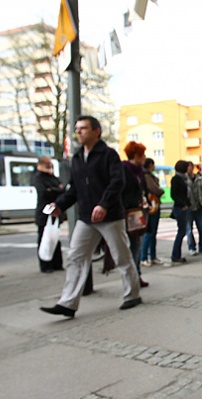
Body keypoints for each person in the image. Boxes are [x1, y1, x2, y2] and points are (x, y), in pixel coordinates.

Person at [40, 115, 142, 318]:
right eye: (77, 129)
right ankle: (68, 303)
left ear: (96, 131)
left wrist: (104, 204)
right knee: (75, 257)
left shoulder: (108, 155)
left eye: (83, 128)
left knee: (121, 255)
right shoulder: (77, 158)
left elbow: (117, 182)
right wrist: (59, 205)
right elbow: (74, 189)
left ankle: (132, 295)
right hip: (86, 217)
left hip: (110, 216)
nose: (78, 132)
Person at [121, 141, 149, 288]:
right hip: (128, 212)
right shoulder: (124, 169)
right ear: (136, 155)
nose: (144, 158)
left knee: (137, 244)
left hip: (137, 211)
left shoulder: (139, 171)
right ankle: (133, 277)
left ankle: (136, 275)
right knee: (133, 245)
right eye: (142, 155)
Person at [33, 155, 65, 273]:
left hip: (55, 213)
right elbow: (43, 193)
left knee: (55, 238)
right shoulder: (38, 178)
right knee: (44, 238)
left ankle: (57, 264)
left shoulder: (52, 177)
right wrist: (56, 190)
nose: (50, 165)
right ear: (41, 164)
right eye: (47, 163)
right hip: (44, 213)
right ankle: (45, 265)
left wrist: (53, 189)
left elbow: (63, 190)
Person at [141, 158, 164, 266]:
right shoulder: (147, 176)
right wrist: (161, 191)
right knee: (150, 232)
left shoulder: (145, 175)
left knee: (152, 232)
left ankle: (152, 256)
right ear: (150, 165)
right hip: (151, 205)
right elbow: (154, 188)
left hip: (151, 204)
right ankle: (144, 257)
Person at [186, 163, 202, 255]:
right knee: (189, 229)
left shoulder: (200, 179)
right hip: (189, 207)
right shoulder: (184, 179)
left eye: (190, 167)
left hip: (199, 207)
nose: (188, 169)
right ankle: (191, 247)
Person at [170, 159, 190, 263]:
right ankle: (175, 255)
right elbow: (174, 194)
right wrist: (183, 204)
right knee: (181, 231)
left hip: (184, 206)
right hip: (180, 207)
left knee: (182, 231)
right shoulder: (176, 179)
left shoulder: (185, 178)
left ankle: (176, 254)